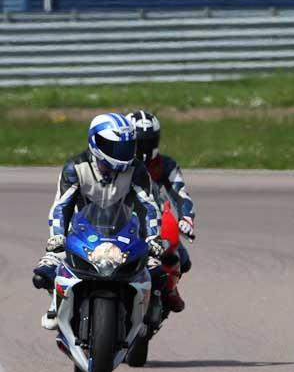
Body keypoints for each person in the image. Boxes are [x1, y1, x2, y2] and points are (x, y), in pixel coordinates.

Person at [32, 113, 162, 327]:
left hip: (124, 231)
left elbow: (148, 206)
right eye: (116, 148)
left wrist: (153, 239)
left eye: (128, 146)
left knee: (156, 271)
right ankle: (57, 305)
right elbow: (61, 206)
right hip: (82, 231)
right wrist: (57, 238)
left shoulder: (136, 169)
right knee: (45, 271)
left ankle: (146, 311)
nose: (124, 153)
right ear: (96, 143)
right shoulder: (75, 168)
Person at [126, 110, 196, 313]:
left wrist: (186, 218)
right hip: (120, 217)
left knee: (182, 259)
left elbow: (181, 194)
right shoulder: (117, 162)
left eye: (148, 142)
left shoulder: (166, 164)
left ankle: (168, 290)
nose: (143, 148)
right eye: (139, 143)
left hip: (156, 217)